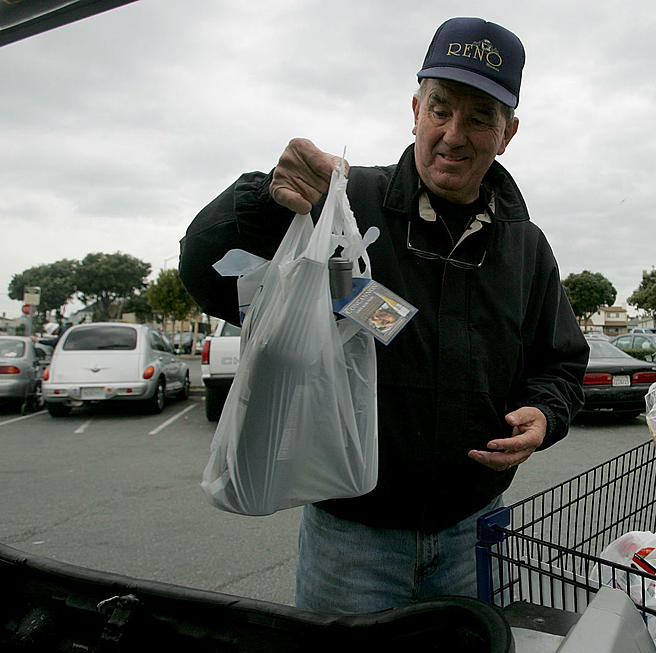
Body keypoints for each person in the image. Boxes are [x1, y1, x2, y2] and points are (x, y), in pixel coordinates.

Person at [179, 16, 588, 614]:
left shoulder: (526, 247)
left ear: (508, 134)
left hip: (476, 533)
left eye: (480, 118)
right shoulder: (341, 205)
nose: (453, 134)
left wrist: (545, 415)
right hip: (351, 542)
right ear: (415, 108)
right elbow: (206, 271)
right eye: (441, 109)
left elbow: (560, 362)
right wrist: (264, 198)